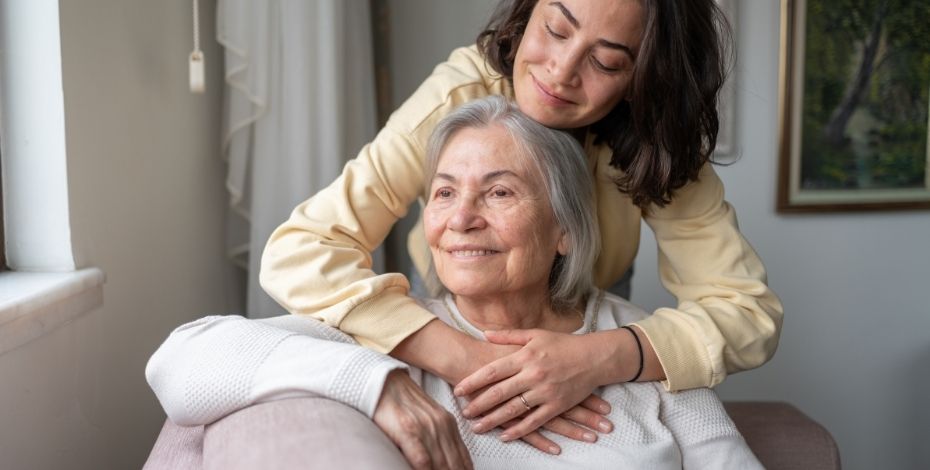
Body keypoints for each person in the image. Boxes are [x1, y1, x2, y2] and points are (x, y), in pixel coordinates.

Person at [259, 0, 783, 448]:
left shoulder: (657, 141)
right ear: (528, 13)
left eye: (605, 62)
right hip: (448, 304)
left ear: (643, 79)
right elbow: (301, 250)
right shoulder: (458, 96)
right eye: (555, 30)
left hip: (591, 311)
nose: (560, 72)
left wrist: (601, 356)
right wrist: (462, 356)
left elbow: (747, 313)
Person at [147, 97, 763, 469]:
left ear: (564, 230)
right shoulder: (391, 335)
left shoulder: (637, 342)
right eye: (444, 193)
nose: (461, 218)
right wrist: (378, 385)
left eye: (499, 192)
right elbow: (179, 360)